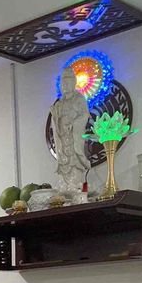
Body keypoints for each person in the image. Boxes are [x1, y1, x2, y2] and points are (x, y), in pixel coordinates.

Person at [50, 66, 91, 194]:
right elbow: (55, 120)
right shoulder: (59, 103)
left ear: (73, 83)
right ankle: (65, 186)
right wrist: (56, 118)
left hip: (74, 136)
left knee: (74, 161)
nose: (65, 86)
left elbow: (84, 114)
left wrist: (73, 124)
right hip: (62, 138)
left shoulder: (79, 99)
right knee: (64, 161)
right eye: (63, 83)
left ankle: (76, 184)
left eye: (67, 82)